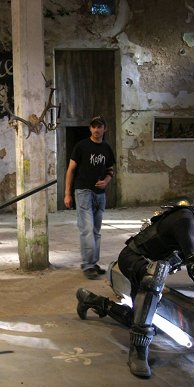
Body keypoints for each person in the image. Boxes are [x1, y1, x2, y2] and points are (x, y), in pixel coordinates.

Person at [76, 206, 194, 378]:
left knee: (135, 319)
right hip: (133, 259)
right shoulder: (186, 219)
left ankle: (93, 300)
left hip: (151, 267)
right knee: (155, 277)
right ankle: (138, 351)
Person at [64, 115, 116, 280]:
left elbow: (111, 170)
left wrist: (106, 181)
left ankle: (93, 263)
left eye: (99, 127)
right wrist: (67, 193)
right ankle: (87, 265)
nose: (96, 129)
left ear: (104, 129)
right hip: (83, 192)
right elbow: (71, 170)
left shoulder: (107, 148)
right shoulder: (81, 146)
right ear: (90, 129)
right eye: (93, 127)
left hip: (100, 195)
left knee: (96, 231)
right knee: (86, 229)